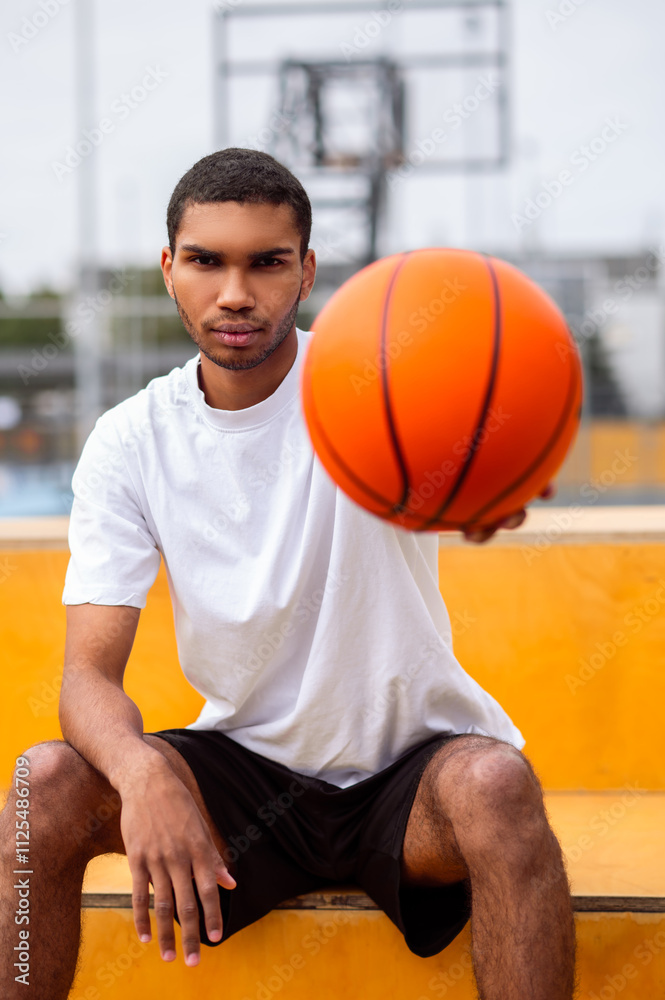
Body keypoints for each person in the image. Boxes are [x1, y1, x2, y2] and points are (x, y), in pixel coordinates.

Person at [0, 148, 575, 1000]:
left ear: (305, 271)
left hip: (407, 777)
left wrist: (489, 489)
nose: (236, 293)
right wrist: (143, 773)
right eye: (206, 261)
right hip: (244, 774)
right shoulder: (130, 441)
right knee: (35, 792)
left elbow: (466, 468)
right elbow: (86, 677)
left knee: (497, 785)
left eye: (266, 262)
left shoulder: (376, 380)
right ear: (169, 270)